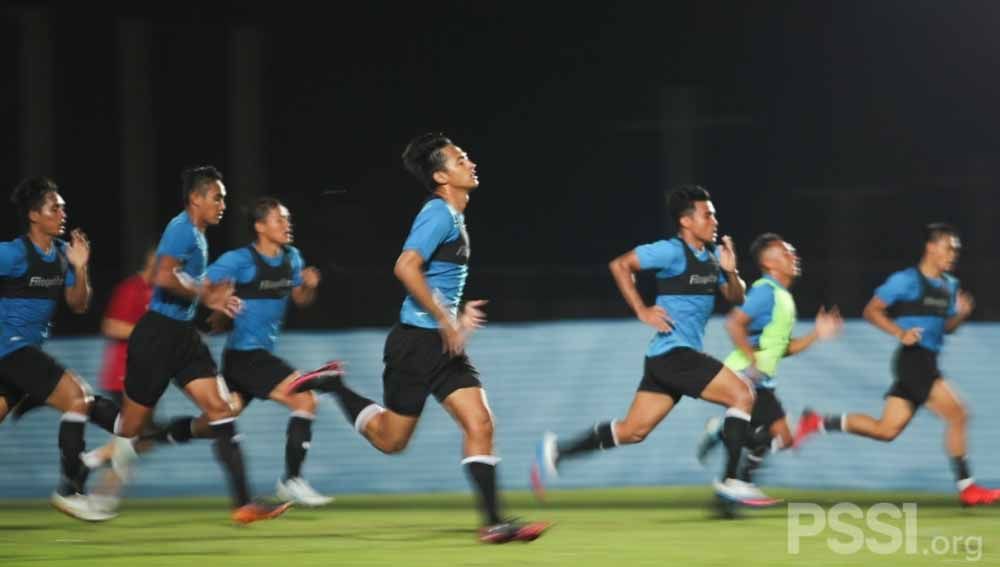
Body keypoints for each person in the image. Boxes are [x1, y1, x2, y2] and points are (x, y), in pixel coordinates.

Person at [290, 132, 549, 543]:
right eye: (461, 159)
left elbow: (435, 283)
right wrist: (446, 320)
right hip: (416, 343)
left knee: (478, 422)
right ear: (442, 175)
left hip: (435, 343)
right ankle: (335, 386)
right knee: (392, 440)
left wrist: (455, 317)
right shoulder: (438, 213)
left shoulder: (454, 216)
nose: (471, 162)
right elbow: (405, 266)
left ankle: (494, 523)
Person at [531, 185, 764, 505]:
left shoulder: (711, 259)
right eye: (707, 215)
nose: (714, 220)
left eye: (714, 214)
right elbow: (620, 265)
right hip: (674, 354)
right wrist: (642, 310)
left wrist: (731, 270)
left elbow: (737, 298)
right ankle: (732, 479)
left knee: (633, 431)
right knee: (742, 394)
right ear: (686, 222)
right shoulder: (669, 251)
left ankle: (559, 450)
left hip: (664, 360)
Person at [109, 166, 290, 523]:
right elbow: (164, 275)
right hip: (158, 334)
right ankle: (82, 452)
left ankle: (243, 504)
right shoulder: (181, 228)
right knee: (131, 429)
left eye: (223, 197)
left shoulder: (199, 236)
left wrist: (215, 305)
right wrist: (205, 292)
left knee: (222, 409)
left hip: (182, 335)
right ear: (196, 198)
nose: (223, 203)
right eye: (217, 196)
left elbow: (188, 285)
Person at [795, 223, 1000, 506]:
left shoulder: (950, 286)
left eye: (956, 250)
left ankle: (818, 422)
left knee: (886, 430)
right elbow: (871, 310)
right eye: (948, 247)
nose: (953, 254)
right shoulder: (906, 280)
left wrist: (961, 315)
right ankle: (967, 487)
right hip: (913, 360)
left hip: (927, 360)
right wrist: (899, 333)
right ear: (931, 246)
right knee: (959, 414)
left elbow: (946, 329)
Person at [153, 197, 332, 506]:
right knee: (305, 399)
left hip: (251, 357)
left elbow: (301, 299)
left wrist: (309, 287)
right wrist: (215, 300)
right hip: (247, 355)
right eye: (279, 220)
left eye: (287, 219)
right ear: (260, 227)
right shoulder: (239, 260)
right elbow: (200, 285)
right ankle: (291, 480)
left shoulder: (293, 258)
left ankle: (159, 435)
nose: (287, 225)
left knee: (220, 418)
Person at [0, 177, 118, 521]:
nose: (63, 212)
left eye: (63, 206)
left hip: (21, 354)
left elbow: (78, 304)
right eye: (55, 206)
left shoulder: (65, 255)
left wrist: (81, 269)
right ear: (35, 216)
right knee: (77, 396)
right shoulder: (13, 253)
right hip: (11, 349)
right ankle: (71, 490)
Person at [695, 233, 842, 500]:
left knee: (783, 439)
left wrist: (815, 335)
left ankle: (725, 443)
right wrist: (752, 359)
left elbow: (782, 348)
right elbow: (734, 323)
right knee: (770, 436)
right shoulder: (766, 291)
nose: (793, 256)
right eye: (786, 253)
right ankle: (736, 479)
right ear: (770, 263)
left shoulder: (783, 298)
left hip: (761, 379)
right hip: (746, 376)